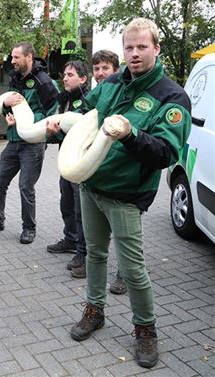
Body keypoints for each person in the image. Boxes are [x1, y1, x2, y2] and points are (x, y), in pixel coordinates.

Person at [47, 18, 191, 368]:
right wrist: (55, 128)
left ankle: (146, 330)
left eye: (142, 47)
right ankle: (95, 311)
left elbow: (166, 154)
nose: (135, 53)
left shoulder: (172, 97)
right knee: (95, 254)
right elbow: (84, 121)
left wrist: (130, 135)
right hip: (92, 185)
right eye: (129, 47)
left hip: (126, 194)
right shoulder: (110, 84)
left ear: (157, 48)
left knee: (132, 267)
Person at [0, 41, 58, 244]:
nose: (12, 61)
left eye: (16, 57)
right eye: (12, 57)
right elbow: (7, 106)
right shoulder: (14, 78)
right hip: (13, 140)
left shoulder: (44, 82)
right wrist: (7, 109)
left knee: (25, 186)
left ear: (29, 57)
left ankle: (29, 228)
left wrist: (26, 120)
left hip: (33, 144)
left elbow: (52, 114)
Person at [45, 61, 89, 279]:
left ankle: (83, 253)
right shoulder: (64, 101)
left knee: (82, 209)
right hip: (66, 160)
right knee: (67, 203)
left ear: (83, 79)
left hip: (80, 162)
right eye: (64, 74)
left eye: (70, 75)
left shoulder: (88, 100)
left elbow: (80, 131)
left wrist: (57, 133)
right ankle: (70, 239)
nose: (65, 78)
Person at [91, 50, 127, 295]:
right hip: (96, 174)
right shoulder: (96, 94)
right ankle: (94, 304)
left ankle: (124, 274)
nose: (100, 73)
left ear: (116, 70)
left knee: (125, 236)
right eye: (96, 69)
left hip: (123, 177)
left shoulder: (125, 90)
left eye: (105, 68)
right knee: (98, 243)